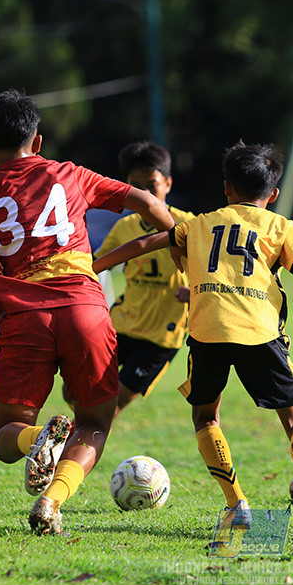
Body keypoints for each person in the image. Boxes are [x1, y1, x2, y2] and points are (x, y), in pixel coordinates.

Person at [0, 89, 174, 535]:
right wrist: (176, 240)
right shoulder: (71, 174)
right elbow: (150, 205)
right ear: (37, 142)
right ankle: (52, 501)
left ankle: (34, 438)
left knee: (6, 435)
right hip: (85, 311)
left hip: (26, 317)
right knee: (94, 423)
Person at [92, 142, 293, 540]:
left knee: (206, 418)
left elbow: (143, 244)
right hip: (260, 332)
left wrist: (93, 266)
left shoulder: (200, 223)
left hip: (207, 333)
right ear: (273, 193)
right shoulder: (281, 227)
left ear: (226, 188)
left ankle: (236, 502)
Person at [62, 141, 195, 420]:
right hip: (121, 325)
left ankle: (74, 440)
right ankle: (80, 430)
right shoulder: (124, 228)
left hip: (160, 339)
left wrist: (194, 291)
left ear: (168, 183)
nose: (145, 195)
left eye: (152, 186)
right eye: (137, 187)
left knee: (110, 406)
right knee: (71, 389)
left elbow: (214, 271)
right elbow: (93, 266)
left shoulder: (189, 226)